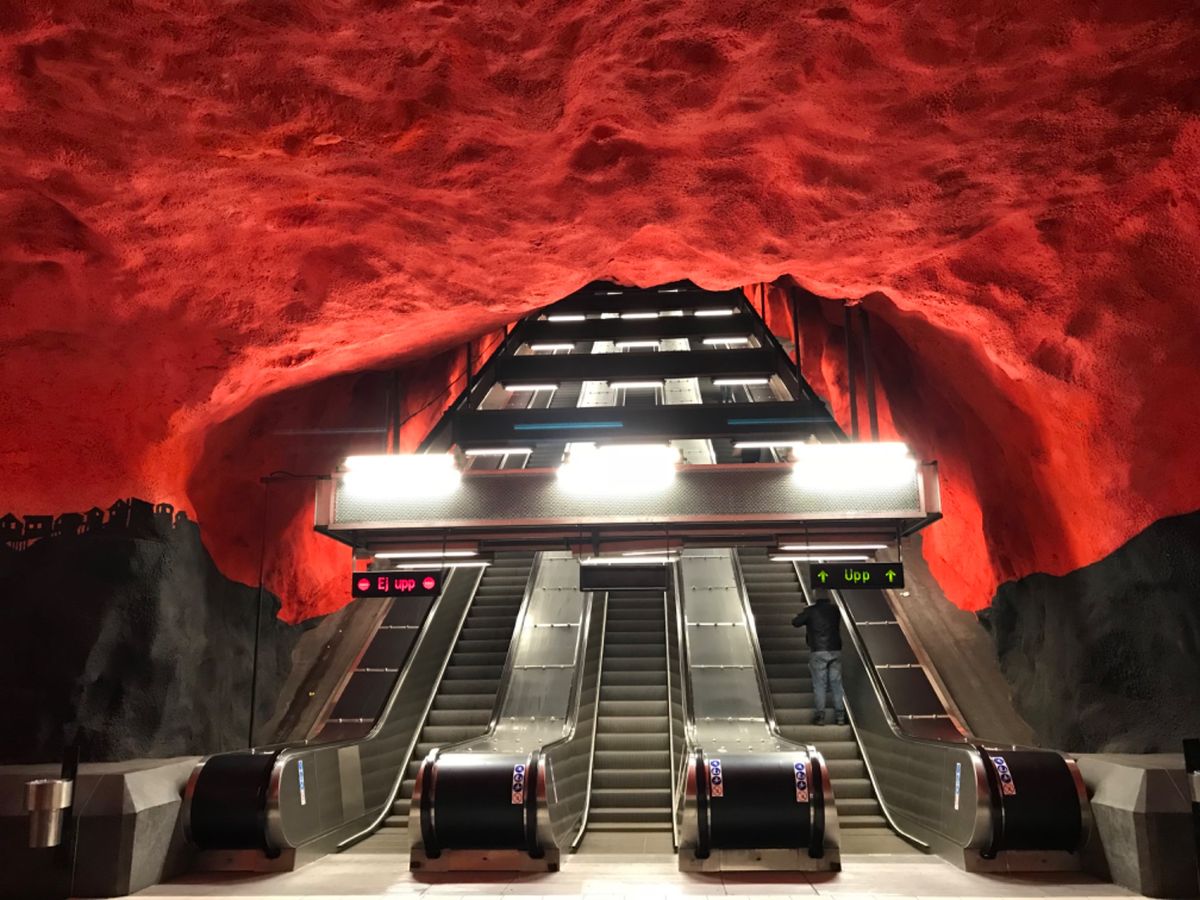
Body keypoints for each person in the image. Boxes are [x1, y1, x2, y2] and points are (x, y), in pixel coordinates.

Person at [792, 589, 846, 725]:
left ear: (815, 596)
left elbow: (795, 622)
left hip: (818, 651)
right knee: (836, 684)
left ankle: (820, 716)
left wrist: (803, 613)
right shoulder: (835, 610)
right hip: (835, 650)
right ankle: (840, 716)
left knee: (819, 684)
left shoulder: (811, 611)